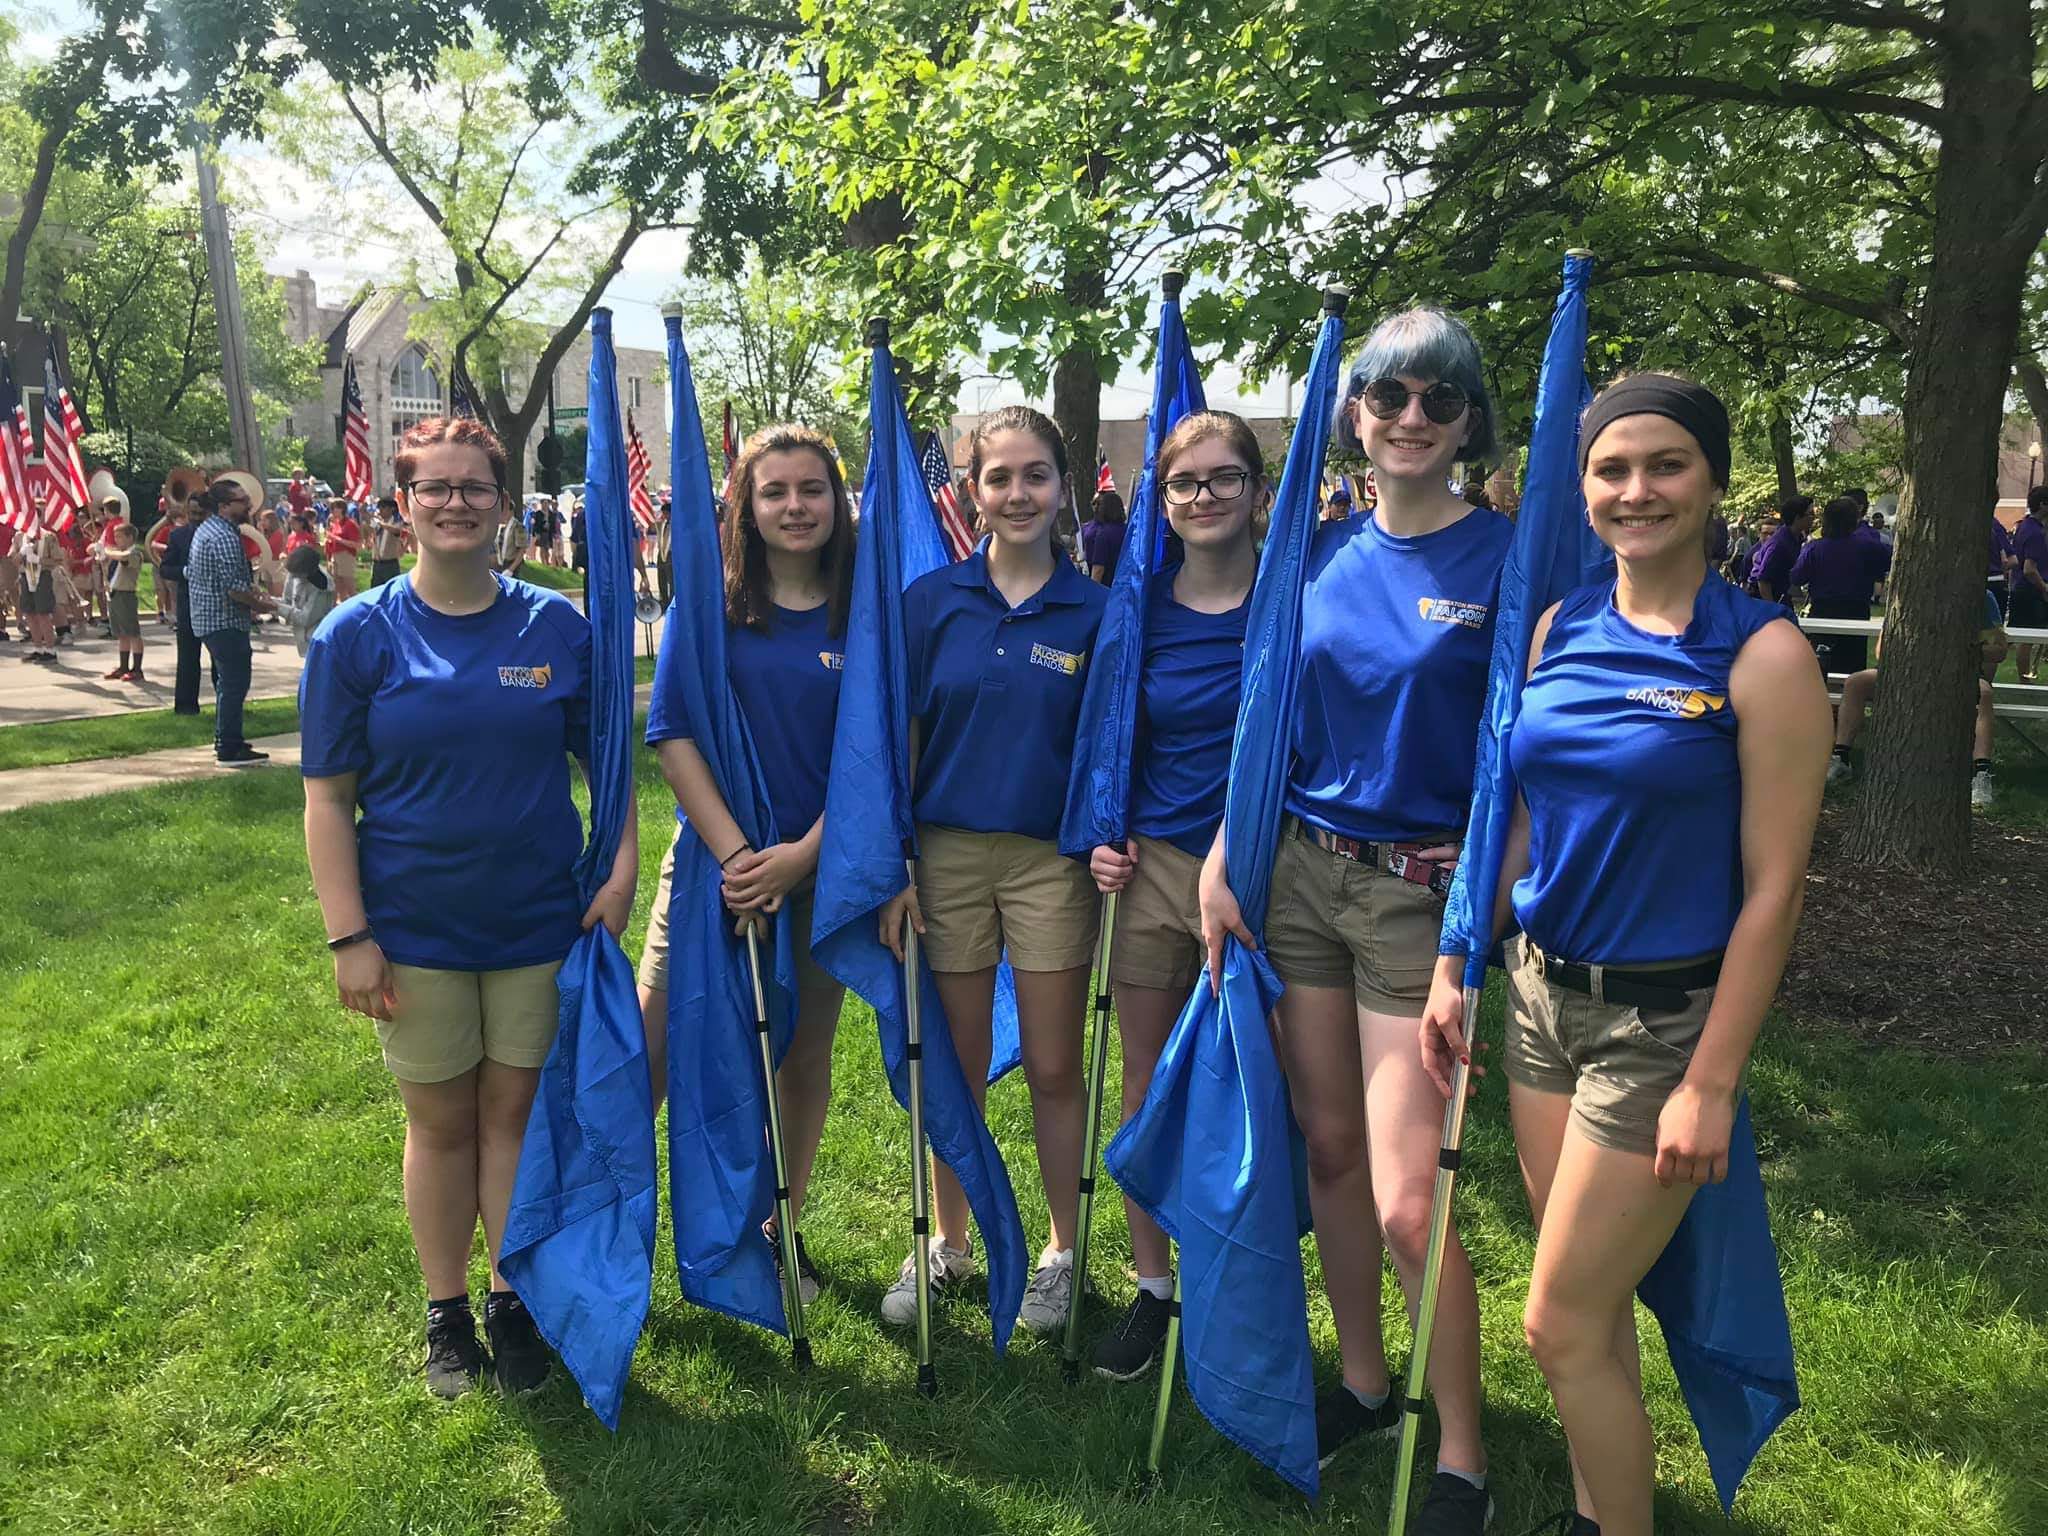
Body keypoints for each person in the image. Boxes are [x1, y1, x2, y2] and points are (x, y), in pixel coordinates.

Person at [1423, 374, 1830, 1536]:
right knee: (1588, 1321)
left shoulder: (1761, 658)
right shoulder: (1559, 627)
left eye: (1664, 465)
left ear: (1710, 483)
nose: (1634, 490)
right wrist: (1460, 958)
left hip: (1660, 1029)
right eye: (1610, 469)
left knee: (1552, 1321)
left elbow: (1770, 895)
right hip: (1543, 999)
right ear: (1583, 486)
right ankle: (1604, 1513)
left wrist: (1708, 1082)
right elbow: (1515, 818)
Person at [1201, 309, 1508, 1531]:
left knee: (1402, 1197)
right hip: (1296, 875)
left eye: (1439, 399)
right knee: (1325, 1153)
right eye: (1388, 395)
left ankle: (1463, 1459)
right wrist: (1229, 851)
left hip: (1410, 902)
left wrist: (1480, 877)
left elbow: (1526, 745)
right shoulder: (1315, 552)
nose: (1412, 418)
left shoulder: (1505, 563)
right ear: (1355, 413)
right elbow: (1267, 717)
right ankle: (1366, 1384)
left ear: (1469, 419)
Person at [299, 415, 636, 1399]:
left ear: (502, 506)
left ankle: (511, 1297)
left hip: (539, 921)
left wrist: (617, 870)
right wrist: (349, 936)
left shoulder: (554, 627)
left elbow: (605, 769)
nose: (454, 502)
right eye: (434, 487)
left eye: (474, 488)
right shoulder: (354, 635)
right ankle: (446, 1311)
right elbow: (326, 798)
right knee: (441, 1121)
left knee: (517, 1116)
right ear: (401, 506)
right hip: (413, 931)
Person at [877, 405, 1109, 1336]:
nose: (1017, 494)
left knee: (1055, 1064)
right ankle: (948, 1239)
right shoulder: (929, 605)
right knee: (956, 1064)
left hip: (1051, 861)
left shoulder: (1098, 612)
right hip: (945, 856)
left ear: (1063, 486)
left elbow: (1106, 746)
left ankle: (1060, 1251)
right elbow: (899, 741)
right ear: (970, 491)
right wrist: (894, 858)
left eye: (1036, 476)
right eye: (998, 477)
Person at [638, 424, 854, 1306]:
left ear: (839, 504)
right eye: (776, 492)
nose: (796, 507)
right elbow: (672, 732)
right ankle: (606, 1238)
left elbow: (881, 752)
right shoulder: (710, 606)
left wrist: (800, 860)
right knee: (651, 1051)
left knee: (801, 1055)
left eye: (813, 490)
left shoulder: (864, 612)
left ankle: (779, 1229)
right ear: (745, 506)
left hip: (824, 870)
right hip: (710, 872)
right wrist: (738, 858)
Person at [1084, 410, 1262, 1379]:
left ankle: (1239, 1290)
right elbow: (1108, 738)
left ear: (1255, 489)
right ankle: (1153, 1290)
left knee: (1249, 1099)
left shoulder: (1291, 601)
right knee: (1147, 1088)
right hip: (1153, 873)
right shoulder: (1136, 606)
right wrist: (1102, 837)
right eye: (1183, 483)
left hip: (1262, 881)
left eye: (1222, 479)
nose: (1202, 497)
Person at [1829, 586, 2007, 808]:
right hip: (1907, 673)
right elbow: (1881, 649)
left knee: (1984, 694)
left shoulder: (1981, 596)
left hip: (1959, 673)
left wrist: (1963, 651)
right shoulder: (1906, 590)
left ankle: (1981, 773)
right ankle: (1841, 758)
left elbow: (2000, 650)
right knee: (1856, 682)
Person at [184, 478, 276, 765]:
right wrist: (261, 604)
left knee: (228, 683)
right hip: (223, 620)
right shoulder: (224, 536)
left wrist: (252, 592)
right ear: (224, 506)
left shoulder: (208, 530)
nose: (249, 504)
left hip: (209, 619)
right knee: (235, 683)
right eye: (242, 500)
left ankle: (229, 739)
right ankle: (228, 747)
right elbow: (234, 588)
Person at [1791, 495, 1891, 676]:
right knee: (1851, 671)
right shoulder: (1868, 546)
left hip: (1822, 612)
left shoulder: (1814, 548)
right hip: (1855, 613)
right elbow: (1888, 562)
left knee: (1819, 669)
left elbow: (1797, 577)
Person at [160, 499, 204, 713]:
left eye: (200, 511)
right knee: (187, 658)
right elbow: (166, 568)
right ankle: (186, 706)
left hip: (216, 607)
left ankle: (227, 706)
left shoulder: (219, 534)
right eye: (192, 510)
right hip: (188, 604)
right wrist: (185, 572)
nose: (195, 514)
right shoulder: (178, 535)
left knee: (221, 660)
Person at [2011, 486, 2048, 681]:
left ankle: (2026, 676)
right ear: (2043, 504)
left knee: (2026, 637)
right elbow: (2029, 568)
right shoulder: (2035, 532)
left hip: (2021, 588)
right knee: (2026, 638)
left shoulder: (2024, 526)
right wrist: (2044, 588)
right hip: (2031, 591)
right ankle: (2024, 680)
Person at [1748, 493, 1811, 606]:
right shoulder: (1779, 544)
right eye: (1810, 514)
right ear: (1797, 518)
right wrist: (1772, 609)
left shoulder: (1796, 538)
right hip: (1762, 597)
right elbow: (1763, 580)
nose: (1814, 518)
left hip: (1781, 592)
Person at [103, 520, 146, 680]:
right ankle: (123, 666)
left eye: (119, 537)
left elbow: (124, 558)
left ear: (129, 538)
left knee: (133, 633)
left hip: (126, 595)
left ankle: (137, 669)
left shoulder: (134, 553)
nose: (116, 540)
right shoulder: (117, 553)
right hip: (115, 594)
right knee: (122, 634)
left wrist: (106, 551)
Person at [15, 513, 60, 662]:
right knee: (29, 613)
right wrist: (21, 554)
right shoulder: (20, 537)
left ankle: (50, 650)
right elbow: (13, 559)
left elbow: (57, 560)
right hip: (25, 576)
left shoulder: (48, 537)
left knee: (43, 613)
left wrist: (38, 560)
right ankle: (38, 648)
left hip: (42, 576)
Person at [281, 541, 336, 656]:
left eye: (297, 575)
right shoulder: (294, 573)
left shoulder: (321, 587)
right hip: (302, 639)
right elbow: (286, 601)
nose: (293, 577)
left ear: (308, 572)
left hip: (319, 639)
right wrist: (267, 601)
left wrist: (275, 607)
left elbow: (305, 619)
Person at [1080, 487, 1127, 583]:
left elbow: (1098, 569)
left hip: (1106, 587)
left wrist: (1092, 592)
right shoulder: (1128, 530)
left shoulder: (1103, 534)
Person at [327, 498, 363, 601]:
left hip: (346, 556)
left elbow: (357, 544)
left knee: (350, 586)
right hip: (335, 556)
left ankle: (358, 609)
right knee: (338, 587)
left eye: (335, 508)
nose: (332, 511)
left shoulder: (350, 524)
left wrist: (337, 539)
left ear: (341, 509)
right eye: (332, 508)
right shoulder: (336, 524)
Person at [370, 496, 407, 587]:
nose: (380, 510)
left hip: (390, 564)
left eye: (383, 507)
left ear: (392, 509)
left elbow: (396, 531)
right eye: (379, 507)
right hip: (377, 563)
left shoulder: (396, 522)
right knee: (375, 590)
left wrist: (381, 523)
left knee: (391, 589)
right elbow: (370, 532)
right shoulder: (378, 522)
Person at [492, 502, 529, 577]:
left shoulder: (518, 526)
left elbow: (522, 549)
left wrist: (511, 569)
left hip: (511, 563)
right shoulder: (501, 526)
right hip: (499, 564)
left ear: (511, 511)